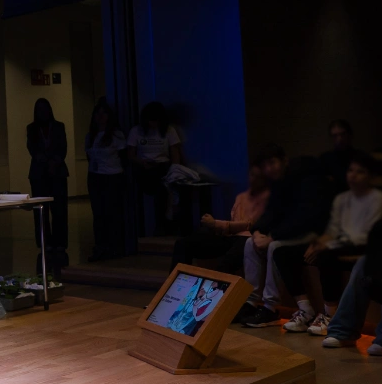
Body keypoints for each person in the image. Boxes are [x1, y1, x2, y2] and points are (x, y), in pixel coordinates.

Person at [273, 154, 382, 336]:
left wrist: (327, 245)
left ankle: (330, 314)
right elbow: (332, 229)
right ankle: (305, 309)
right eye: (351, 170)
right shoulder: (342, 198)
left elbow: (366, 235)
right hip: (339, 244)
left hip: (363, 248)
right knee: (282, 252)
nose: (353, 175)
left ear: (370, 176)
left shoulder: (377, 199)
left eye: (360, 172)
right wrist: (318, 242)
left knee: (327, 255)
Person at [241, 156, 331, 328]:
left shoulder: (307, 185)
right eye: (266, 165)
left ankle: (270, 307)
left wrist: (272, 237)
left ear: (284, 162)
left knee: (275, 247)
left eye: (273, 163)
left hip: (306, 235)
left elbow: (302, 221)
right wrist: (258, 232)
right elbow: (270, 214)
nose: (270, 169)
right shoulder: (279, 186)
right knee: (248, 244)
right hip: (285, 234)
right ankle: (251, 302)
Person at [173, 143, 281, 273]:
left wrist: (217, 224)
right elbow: (234, 221)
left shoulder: (269, 196)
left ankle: (217, 288)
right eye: (252, 175)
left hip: (248, 238)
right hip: (230, 237)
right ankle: (175, 285)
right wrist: (215, 227)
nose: (254, 179)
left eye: (258, 177)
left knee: (237, 250)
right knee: (184, 243)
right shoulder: (242, 197)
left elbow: (252, 224)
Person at [127, 101, 183, 236]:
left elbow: (175, 153)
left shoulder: (169, 130)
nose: (153, 124)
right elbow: (130, 154)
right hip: (143, 167)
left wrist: (175, 170)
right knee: (159, 187)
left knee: (165, 188)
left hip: (163, 166)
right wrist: (142, 162)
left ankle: (165, 225)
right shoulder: (136, 131)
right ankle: (163, 225)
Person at [27, 98, 70, 272]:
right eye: (39, 109)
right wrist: (44, 161)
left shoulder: (59, 126)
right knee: (40, 211)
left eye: (45, 109)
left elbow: (63, 147)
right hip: (38, 173)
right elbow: (32, 148)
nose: (42, 112)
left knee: (60, 209)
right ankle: (45, 242)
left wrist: (55, 162)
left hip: (57, 171)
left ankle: (60, 243)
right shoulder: (31, 128)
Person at [84, 98, 127, 262]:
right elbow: (89, 156)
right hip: (95, 177)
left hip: (113, 176)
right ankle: (100, 247)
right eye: (98, 113)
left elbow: (123, 157)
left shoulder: (116, 135)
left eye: (104, 113)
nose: (100, 116)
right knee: (98, 214)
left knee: (113, 213)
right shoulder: (90, 136)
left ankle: (115, 247)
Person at [316, 119, 358, 194]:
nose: (339, 139)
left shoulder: (360, 157)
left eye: (343, 134)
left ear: (349, 135)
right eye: (335, 136)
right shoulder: (324, 159)